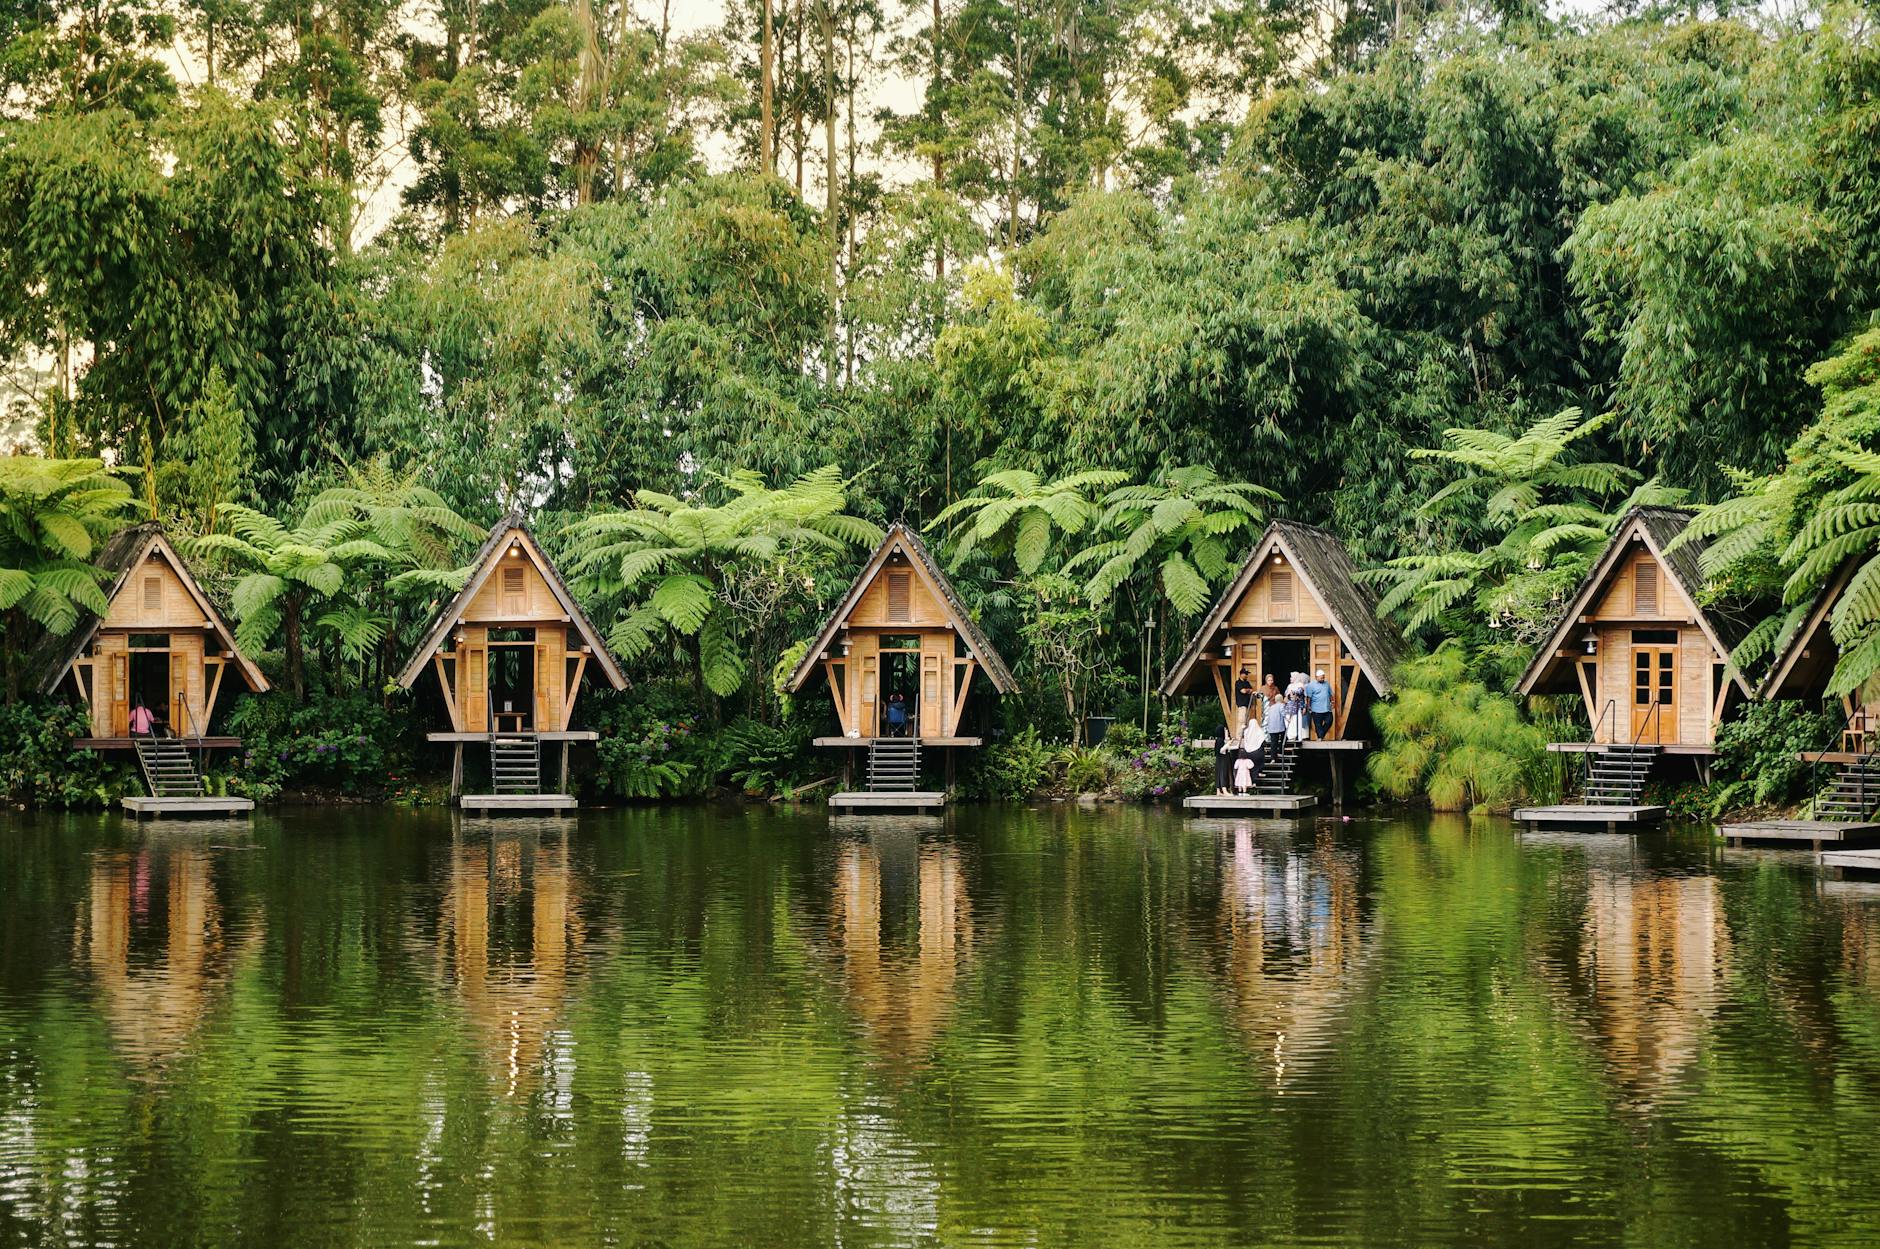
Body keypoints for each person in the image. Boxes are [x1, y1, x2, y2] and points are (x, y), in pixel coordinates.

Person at [1305, 669, 1335, 739]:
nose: (1323, 679)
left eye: (1323, 677)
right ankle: (1320, 738)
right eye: (1321, 678)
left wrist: (1333, 702)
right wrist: (1308, 706)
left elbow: (1331, 694)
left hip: (1326, 708)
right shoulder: (1311, 685)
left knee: (1329, 721)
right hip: (1316, 709)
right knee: (1318, 725)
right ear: (1316, 677)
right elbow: (1308, 697)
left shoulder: (1327, 683)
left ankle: (1321, 735)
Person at [1233, 667, 1255, 733]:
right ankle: (1239, 735)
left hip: (1248, 704)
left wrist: (1247, 690)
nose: (1246, 675)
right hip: (1241, 704)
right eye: (1245, 674)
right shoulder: (1238, 682)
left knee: (1247, 721)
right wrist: (1247, 690)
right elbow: (1243, 691)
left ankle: (1245, 735)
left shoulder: (1247, 682)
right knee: (1241, 720)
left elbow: (1251, 690)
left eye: (1247, 674)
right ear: (1241, 674)